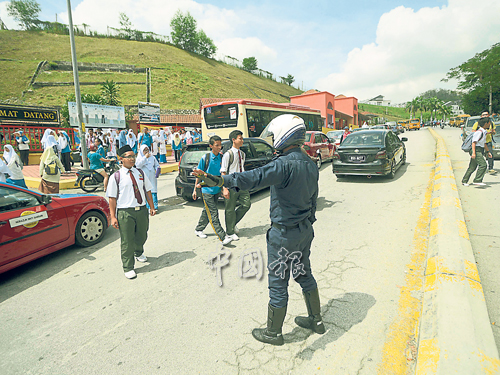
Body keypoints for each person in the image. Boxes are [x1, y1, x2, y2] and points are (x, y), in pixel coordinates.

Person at [193, 114, 324, 346]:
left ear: (286, 135)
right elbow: (314, 200)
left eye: (275, 137)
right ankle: (317, 320)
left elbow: (252, 179)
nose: (273, 142)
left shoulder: (283, 164)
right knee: (304, 273)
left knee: (278, 282)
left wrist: (218, 181)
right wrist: (307, 225)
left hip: (283, 234)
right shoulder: (310, 162)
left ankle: (273, 333)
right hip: (304, 231)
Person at [106, 145, 156, 279]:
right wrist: (113, 217)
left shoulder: (140, 172)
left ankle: (138, 252)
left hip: (141, 210)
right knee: (127, 240)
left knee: (142, 235)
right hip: (125, 212)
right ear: (121, 159)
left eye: (133, 156)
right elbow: (112, 198)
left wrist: (151, 207)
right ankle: (128, 267)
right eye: (129, 157)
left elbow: (147, 190)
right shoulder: (116, 176)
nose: (132, 159)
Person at [193, 135, 232, 246]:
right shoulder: (205, 158)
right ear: (211, 146)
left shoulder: (221, 157)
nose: (220, 147)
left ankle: (198, 229)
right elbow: (198, 174)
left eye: (220, 145)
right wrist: (195, 189)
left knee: (207, 211)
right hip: (207, 191)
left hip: (217, 189)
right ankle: (223, 237)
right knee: (213, 213)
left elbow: (223, 174)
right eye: (217, 145)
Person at [220, 130, 251, 241]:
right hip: (231, 184)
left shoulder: (242, 154)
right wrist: (224, 188)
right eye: (240, 138)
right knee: (230, 209)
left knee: (246, 204)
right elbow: (223, 172)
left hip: (241, 183)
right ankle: (229, 232)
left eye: (242, 138)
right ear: (233, 140)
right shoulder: (228, 155)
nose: (242, 140)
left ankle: (232, 223)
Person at [462, 117, 493, 187]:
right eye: (489, 123)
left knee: (472, 167)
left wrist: (488, 152)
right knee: (483, 165)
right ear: (486, 124)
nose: (489, 125)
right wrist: (474, 153)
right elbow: (474, 142)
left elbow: (484, 143)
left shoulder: (484, 132)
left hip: (480, 149)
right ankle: (477, 180)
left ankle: (464, 181)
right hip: (476, 150)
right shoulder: (479, 132)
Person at [136, 144, 160, 212]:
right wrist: (145, 158)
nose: (146, 151)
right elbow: (138, 165)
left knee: (153, 190)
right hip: (144, 177)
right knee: (146, 191)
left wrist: (157, 170)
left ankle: (154, 207)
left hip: (152, 177)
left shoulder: (152, 157)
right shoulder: (139, 158)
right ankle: (147, 207)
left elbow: (156, 165)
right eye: (144, 150)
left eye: (147, 150)